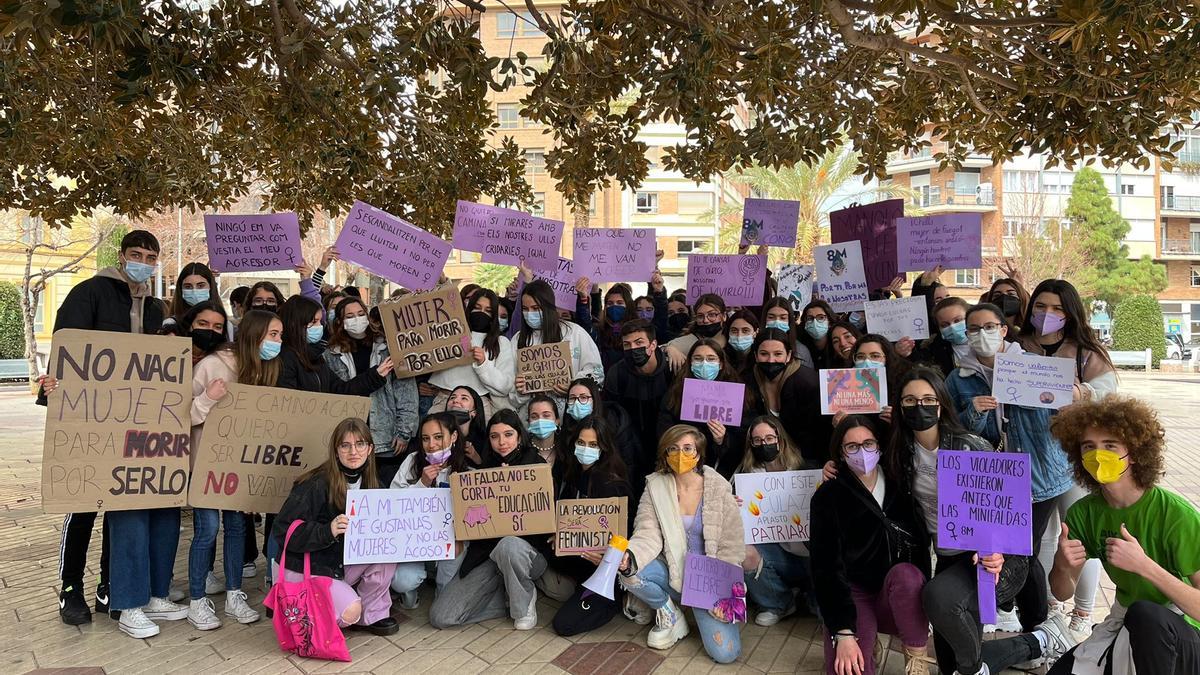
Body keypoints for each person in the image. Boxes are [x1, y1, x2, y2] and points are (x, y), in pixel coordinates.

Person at [888, 367, 1075, 675]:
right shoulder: (899, 452)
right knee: (952, 664)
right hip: (948, 556)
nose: (918, 406)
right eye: (909, 400)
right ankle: (1037, 641)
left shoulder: (971, 446)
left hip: (994, 557)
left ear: (941, 403)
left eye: (927, 399)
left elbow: (1009, 513)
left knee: (939, 598)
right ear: (899, 406)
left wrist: (1000, 550)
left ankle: (978, 668)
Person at [38, 229, 165, 626]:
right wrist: (53, 393)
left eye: (149, 255)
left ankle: (109, 584)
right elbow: (68, 347)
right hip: (88, 419)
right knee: (82, 505)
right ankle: (70, 588)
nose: (142, 261)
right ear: (122, 255)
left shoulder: (157, 308)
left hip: (135, 421)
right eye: (135, 253)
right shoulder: (90, 292)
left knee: (121, 505)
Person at [1047, 397, 1200, 674]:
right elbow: (1062, 591)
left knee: (1146, 615)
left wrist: (1145, 566)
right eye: (1088, 446)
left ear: (1133, 451)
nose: (1098, 454)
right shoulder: (1084, 513)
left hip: (1185, 633)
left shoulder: (1176, 515)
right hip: (1127, 622)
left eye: (1109, 445)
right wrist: (1062, 564)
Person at [811, 415, 933, 675]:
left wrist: (923, 612)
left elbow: (921, 544)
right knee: (848, 669)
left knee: (908, 575)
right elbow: (825, 567)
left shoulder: (901, 483)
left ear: (879, 445)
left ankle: (917, 657)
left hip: (898, 593)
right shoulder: (828, 496)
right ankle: (866, 641)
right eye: (852, 446)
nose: (862, 451)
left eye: (868, 443)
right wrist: (843, 633)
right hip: (854, 595)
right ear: (841, 453)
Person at [186, 310, 283, 633]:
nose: (277, 342)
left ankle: (233, 594)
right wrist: (206, 399)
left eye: (280, 336)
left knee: (238, 529)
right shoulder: (211, 365)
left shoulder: (265, 370)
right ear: (254, 334)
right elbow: (179, 416)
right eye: (273, 335)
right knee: (208, 530)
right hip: (206, 466)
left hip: (240, 468)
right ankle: (197, 600)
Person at [616, 425, 745, 663]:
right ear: (665, 454)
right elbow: (647, 532)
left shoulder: (719, 488)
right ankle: (669, 611)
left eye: (687, 448)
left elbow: (732, 546)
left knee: (726, 653)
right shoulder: (655, 487)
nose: (680, 454)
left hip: (707, 580)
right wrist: (630, 556)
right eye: (673, 449)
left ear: (698, 453)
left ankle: (692, 607)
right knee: (629, 570)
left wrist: (726, 594)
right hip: (673, 570)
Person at [271, 417, 400, 636]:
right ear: (336, 450)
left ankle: (371, 614)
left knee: (386, 555)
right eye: (345, 445)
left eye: (360, 444)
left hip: (338, 562)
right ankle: (314, 615)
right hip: (310, 567)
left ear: (370, 449)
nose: (353, 452)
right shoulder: (315, 483)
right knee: (350, 612)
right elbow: (282, 530)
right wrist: (326, 531)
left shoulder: (374, 485)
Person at [429, 410, 554, 630]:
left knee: (509, 545)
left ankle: (522, 605)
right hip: (487, 556)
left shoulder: (537, 467)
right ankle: (507, 597)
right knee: (441, 617)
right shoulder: (483, 470)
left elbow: (544, 520)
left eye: (508, 434)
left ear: (519, 436)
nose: (502, 442)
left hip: (527, 555)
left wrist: (514, 483)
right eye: (494, 436)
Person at [549, 416, 633, 636]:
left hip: (604, 572)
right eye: (581, 443)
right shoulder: (574, 473)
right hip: (576, 562)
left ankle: (613, 602)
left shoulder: (613, 485)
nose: (586, 449)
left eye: (593, 444)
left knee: (564, 625)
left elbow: (624, 537)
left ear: (604, 447)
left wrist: (609, 560)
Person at [388, 412, 474, 608]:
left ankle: (441, 590)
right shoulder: (413, 460)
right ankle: (410, 597)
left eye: (438, 437)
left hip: (452, 541)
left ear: (453, 437)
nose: (432, 444)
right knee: (403, 581)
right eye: (425, 439)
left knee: (444, 598)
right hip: (414, 539)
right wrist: (421, 485)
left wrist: (461, 537)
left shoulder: (466, 468)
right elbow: (392, 505)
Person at [736, 416, 814, 626]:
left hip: (812, 557)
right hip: (779, 553)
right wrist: (734, 505)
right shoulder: (747, 476)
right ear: (751, 444)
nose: (765, 444)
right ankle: (778, 603)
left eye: (770, 438)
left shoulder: (806, 469)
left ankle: (807, 595)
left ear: (780, 439)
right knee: (744, 552)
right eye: (758, 440)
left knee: (819, 609)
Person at [325, 296, 418, 455]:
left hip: (385, 437)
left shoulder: (388, 348)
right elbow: (337, 393)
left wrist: (404, 432)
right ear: (340, 321)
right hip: (349, 438)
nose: (357, 319)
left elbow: (406, 393)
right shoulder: (331, 354)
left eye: (361, 314)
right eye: (350, 316)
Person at [659, 338, 749, 476]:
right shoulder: (676, 393)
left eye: (711, 358)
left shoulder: (736, 394)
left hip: (722, 469)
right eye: (698, 359)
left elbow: (744, 436)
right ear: (690, 363)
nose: (704, 364)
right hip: (682, 466)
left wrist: (723, 440)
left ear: (721, 364)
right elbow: (664, 430)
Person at [511, 279, 605, 410]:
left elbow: (596, 373)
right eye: (525, 309)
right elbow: (510, 392)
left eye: (536, 308)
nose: (530, 313)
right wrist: (521, 391)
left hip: (571, 416)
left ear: (548, 307)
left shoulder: (574, 333)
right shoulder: (517, 340)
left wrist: (573, 387)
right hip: (532, 419)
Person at [744, 328, 831, 468]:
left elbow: (818, 432)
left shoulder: (809, 383)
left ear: (789, 355)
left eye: (778, 354)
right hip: (762, 458)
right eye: (764, 354)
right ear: (755, 356)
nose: (771, 360)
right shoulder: (748, 382)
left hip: (806, 458)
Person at [1017, 279, 1116, 402]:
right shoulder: (1014, 345)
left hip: (1070, 420)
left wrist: (1080, 393)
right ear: (1031, 308)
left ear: (1069, 313)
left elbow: (1107, 393)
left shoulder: (1087, 351)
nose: (1047, 313)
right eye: (1040, 306)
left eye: (1057, 308)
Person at [427, 288, 516, 419]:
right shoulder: (450, 332)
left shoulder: (501, 343)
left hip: (479, 407)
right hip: (444, 401)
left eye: (488, 311)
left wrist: (483, 364)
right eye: (477, 307)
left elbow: (506, 385)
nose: (481, 313)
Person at [276, 295, 393, 394]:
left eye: (320, 321)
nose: (319, 326)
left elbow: (340, 389)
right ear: (296, 324)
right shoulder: (286, 358)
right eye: (314, 322)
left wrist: (376, 375)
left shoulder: (315, 357)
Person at [605, 319, 673, 487]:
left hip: (665, 443)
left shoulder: (672, 369)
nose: (633, 348)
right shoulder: (616, 374)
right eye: (627, 345)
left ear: (653, 345)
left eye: (639, 342)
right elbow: (612, 414)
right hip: (630, 447)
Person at [561, 377, 641, 481]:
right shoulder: (568, 427)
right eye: (572, 398)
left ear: (594, 400)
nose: (577, 403)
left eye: (583, 397)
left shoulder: (615, 423)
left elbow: (628, 463)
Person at [851, 333, 910, 426]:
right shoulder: (845, 385)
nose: (867, 361)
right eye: (860, 357)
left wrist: (899, 419)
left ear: (887, 358)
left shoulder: (904, 384)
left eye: (875, 356)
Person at [910, 297, 971, 378]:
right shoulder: (934, 352)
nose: (952, 327)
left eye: (957, 320)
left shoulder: (989, 343)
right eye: (945, 325)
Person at [663, 293, 728, 367]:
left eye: (712, 315)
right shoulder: (685, 342)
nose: (705, 320)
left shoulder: (734, 340)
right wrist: (669, 349)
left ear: (724, 316)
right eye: (700, 316)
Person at [161, 262, 222, 336]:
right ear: (181, 290)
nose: (194, 291)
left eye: (200, 286)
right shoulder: (170, 323)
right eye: (188, 287)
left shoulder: (225, 324)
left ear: (211, 287)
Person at [175, 300, 229, 366]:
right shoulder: (171, 346)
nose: (210, 329)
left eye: (217, 327)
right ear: (189, 324)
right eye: (202, 324)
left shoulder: (225, 359)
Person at [798, 300, 837, 371]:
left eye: (821, 317)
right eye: (810, 318)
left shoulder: (837, 346)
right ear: (805, 323)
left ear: (830, 322)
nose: (815, 322)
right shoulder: (800, 348)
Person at [527, 394, 561, 464]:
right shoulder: (521, 451)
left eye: (546, 415)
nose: (540, 420)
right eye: (534, 417)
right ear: (529, 421)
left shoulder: (566, 450)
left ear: (557, 421)